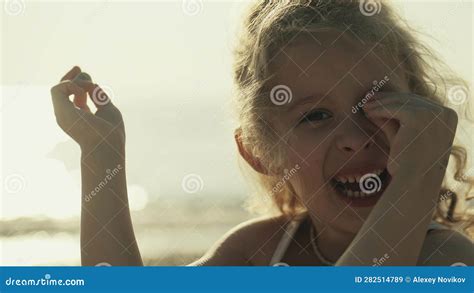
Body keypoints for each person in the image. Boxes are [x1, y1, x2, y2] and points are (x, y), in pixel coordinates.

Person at [50, 0, 474, 266]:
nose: (355, 136)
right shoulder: (256, 254)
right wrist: (101, 154)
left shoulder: (448, 263)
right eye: (315, 116)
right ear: (260, 151)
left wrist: (417, 181)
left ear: (426, 119)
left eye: (378, 104)